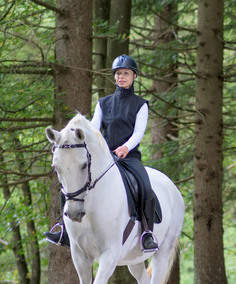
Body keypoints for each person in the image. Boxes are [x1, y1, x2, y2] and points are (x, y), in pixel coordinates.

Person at [45, 54, 159, 253]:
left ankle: (147, 233)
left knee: (145, 187)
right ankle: (63, 229)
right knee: (71, 182)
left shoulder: (141, 104)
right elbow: (94, 130)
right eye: (118, 73)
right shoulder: (103, 103)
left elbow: (139, 132)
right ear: (114, 77)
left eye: (126, 73)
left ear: (134, 76)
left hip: (129, 157)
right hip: (105, 158)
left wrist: (126, 147)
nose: (121, 77)